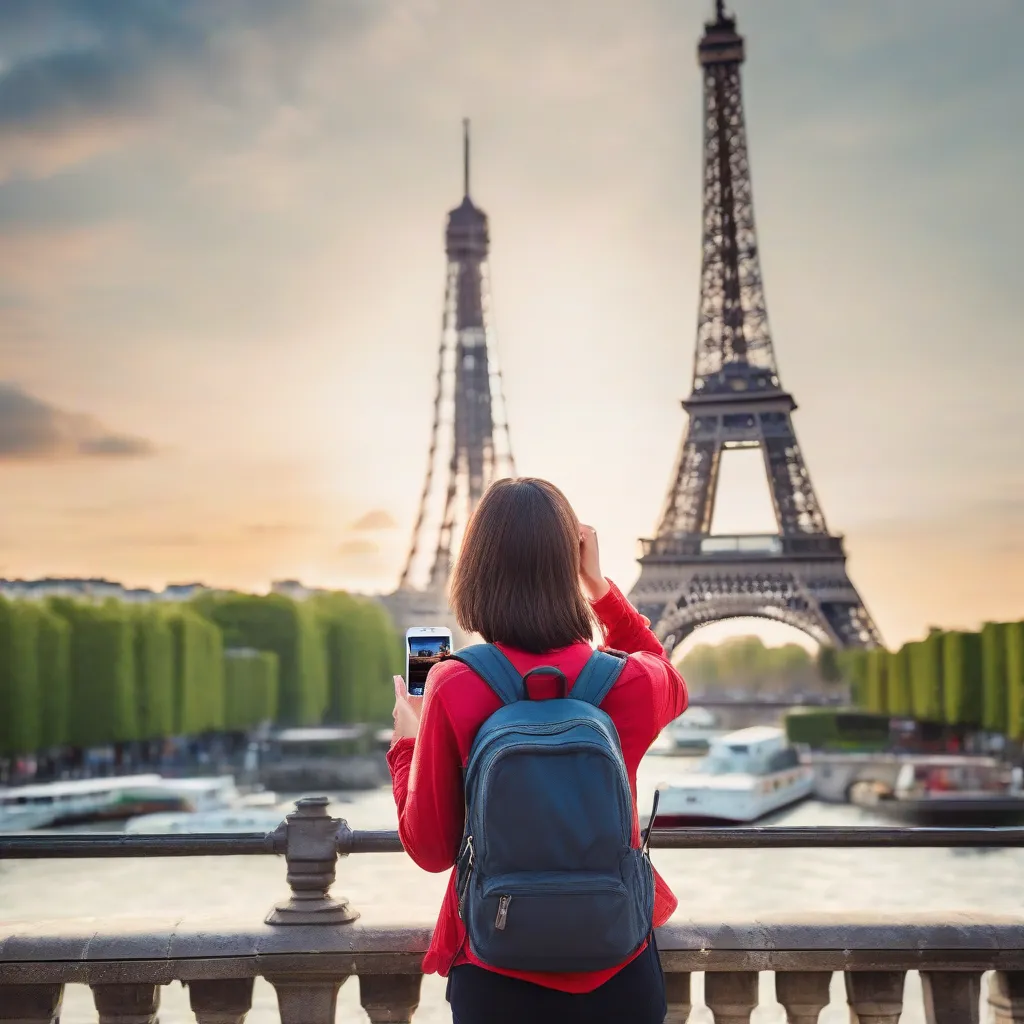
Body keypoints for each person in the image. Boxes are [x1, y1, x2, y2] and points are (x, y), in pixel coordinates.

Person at [388, 477, 688, 1024]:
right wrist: (599, 588)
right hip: (619, 965)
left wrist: (407, 741)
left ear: (476, 568)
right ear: (567, 563)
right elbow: (670, 674)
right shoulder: (630, 681)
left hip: (497, 968)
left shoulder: (453, 685)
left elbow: (430, 849)